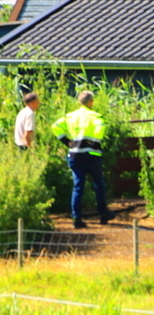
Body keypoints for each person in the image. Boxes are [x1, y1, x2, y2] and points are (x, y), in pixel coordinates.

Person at [52, 91, 114, 229]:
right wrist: (94, 143)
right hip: (92, 155)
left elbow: (55, 126)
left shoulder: (70, 116)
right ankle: (103, 214)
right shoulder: (95, 116)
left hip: (75, 155)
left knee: (78, 186)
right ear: (91, 102)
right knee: (98, 185)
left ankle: (76, 218)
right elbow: (100, 130)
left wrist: (66, 141)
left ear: (79, 102)